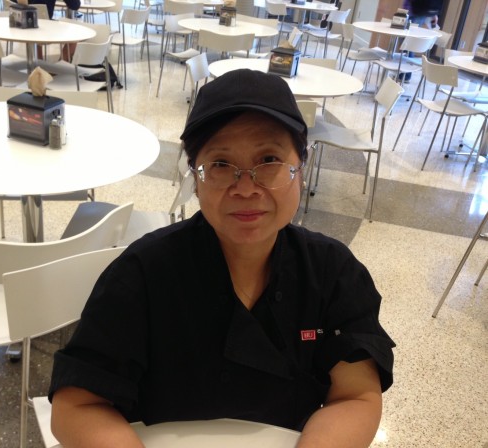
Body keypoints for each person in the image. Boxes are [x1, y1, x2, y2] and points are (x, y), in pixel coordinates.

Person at [49, 69, 396, 447]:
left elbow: (356, 396)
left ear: (301, 168)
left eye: (269, 159)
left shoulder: (333, 272)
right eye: (220, 165)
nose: (245, 188)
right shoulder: (143, 273)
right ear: (195, 179)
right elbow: (76, 407)